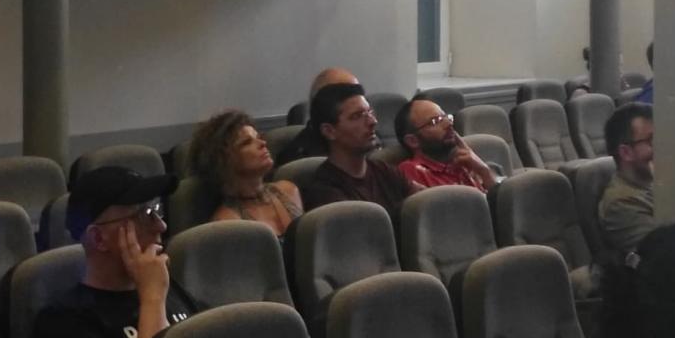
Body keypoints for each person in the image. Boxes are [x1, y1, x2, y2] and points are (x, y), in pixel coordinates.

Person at [27, 161, 192, 338]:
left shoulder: (167, 288)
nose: (161, 226)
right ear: (99, 239)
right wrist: (152, 299)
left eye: (157, 210)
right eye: (144, 215)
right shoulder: (63, 323)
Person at [294, 81, 405, 222]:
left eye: (370, 112)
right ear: (329, 131)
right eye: (357, 116)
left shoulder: (385, 171)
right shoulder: (325, 192)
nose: (373, 121)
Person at [187, 109, 301, 237]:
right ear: (223, 160)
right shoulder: (227, 222)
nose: (263, 143)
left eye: (258, 137)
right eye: (247, 142)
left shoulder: (289, 190)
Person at [395, 97, 499, 193]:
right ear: (413, 141)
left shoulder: (464, 162)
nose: (449, 124)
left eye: (446, 117)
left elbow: (499, 204)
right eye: (435, 121)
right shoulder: (411, 170)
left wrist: (484, 172)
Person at [595, 103, 657, 260]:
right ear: (626, 152)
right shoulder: (621, 204)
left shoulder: (654, 184)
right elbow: (668, 256)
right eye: (652, 141)